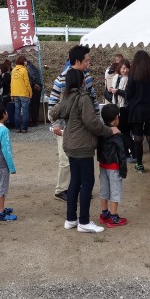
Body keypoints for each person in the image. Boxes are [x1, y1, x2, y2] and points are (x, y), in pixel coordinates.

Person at [50, 69, 118, 234]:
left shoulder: (66, 97)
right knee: (87, 183)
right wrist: (110, 131)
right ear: (81, 81)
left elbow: (53, 113)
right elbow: (92, 123)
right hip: (83, 146)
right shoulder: (83, 98)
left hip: (70, 145)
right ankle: (84, 221)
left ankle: (71, 219)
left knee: (75, 182)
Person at [48, 45, 99, 203]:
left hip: (83, 126)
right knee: (65, 160)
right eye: (87, 60)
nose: (88, 63)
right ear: (77, 61)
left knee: (81, 158)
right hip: (65, 126)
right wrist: (56, 124)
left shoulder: (87, 76)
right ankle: (61, 190)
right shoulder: (61, 79)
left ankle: (79, 188)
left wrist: (96, 115)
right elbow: (52, 103)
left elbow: (93, 97)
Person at [125, 50, 150, 174]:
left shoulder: (133, 73)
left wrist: (131, 103)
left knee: (138, 138)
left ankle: (139, 164)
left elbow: (128, 93)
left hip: (137, 110)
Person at [97, 104, 127, 228]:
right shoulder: (116, 134)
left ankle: (104, 213)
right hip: (114, 166)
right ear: (115, 119)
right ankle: (113, 217)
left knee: (104, 189)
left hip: (103, 164)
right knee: (115, 191)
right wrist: (123, 169)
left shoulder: (101, 131)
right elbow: (121, 153)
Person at [107, 59, 133, 161]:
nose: (125, 70)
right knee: (120, 132)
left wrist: (118, 91)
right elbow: (109, 93)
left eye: (127, 68)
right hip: (116, 106)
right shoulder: (115, 78)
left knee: (125, 132)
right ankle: (125, 153)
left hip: (125, 108)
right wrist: (110, 90)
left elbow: (128, 95)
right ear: (119, 68)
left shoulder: (129, 79)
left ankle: (133, 153)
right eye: (123, 68)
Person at [11, 55, 32, 133]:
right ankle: (24, 128)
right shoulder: (24, 70)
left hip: (15, 93)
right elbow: (27, 83)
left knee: (17, 111)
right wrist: (30, 92)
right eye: (25, 61)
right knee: (25, 111)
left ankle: (17, 128)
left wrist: (12, 94)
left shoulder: (13, 70)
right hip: (23, 93)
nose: (26, 62)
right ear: (23, 62)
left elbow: (12, 83)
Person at [27, 59, 43, 126]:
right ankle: (35, 120)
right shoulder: (33, 67)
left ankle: (34, 121)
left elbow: (32, 77)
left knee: (33, 104)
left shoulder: (28, 67)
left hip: (35, 87)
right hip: (38, 86)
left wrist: (33, 84)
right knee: (36, 104)